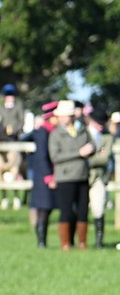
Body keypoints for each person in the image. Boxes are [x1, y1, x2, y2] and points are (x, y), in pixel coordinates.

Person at [47, 99, 95, 250]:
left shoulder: (83, 131)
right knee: (66, 210)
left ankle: (82, 242)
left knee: (83, 210)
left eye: (65, 115)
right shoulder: (56, 134)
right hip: (65, 176)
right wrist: (78, 153)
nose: (62, 118)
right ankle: (65, 243)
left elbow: (93, 145)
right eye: (60, 116)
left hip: (82, 175)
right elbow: (55, 156)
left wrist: (91, 149)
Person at [22, 101, 58, 248]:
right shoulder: (43, 132)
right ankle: (41, 242)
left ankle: (42, 241)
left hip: (47, 174)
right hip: (44, 175)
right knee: (43, 208)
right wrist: (49, 176)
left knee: (47, 209)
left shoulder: (50, 131)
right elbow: (42, 156)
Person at [85, 107, 115, 248]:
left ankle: (99, 241)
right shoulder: (83, 134)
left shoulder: (106, 137)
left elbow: (104, 157)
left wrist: (87, 159)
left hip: (98, 177)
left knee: (99, 208)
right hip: (83, 175)